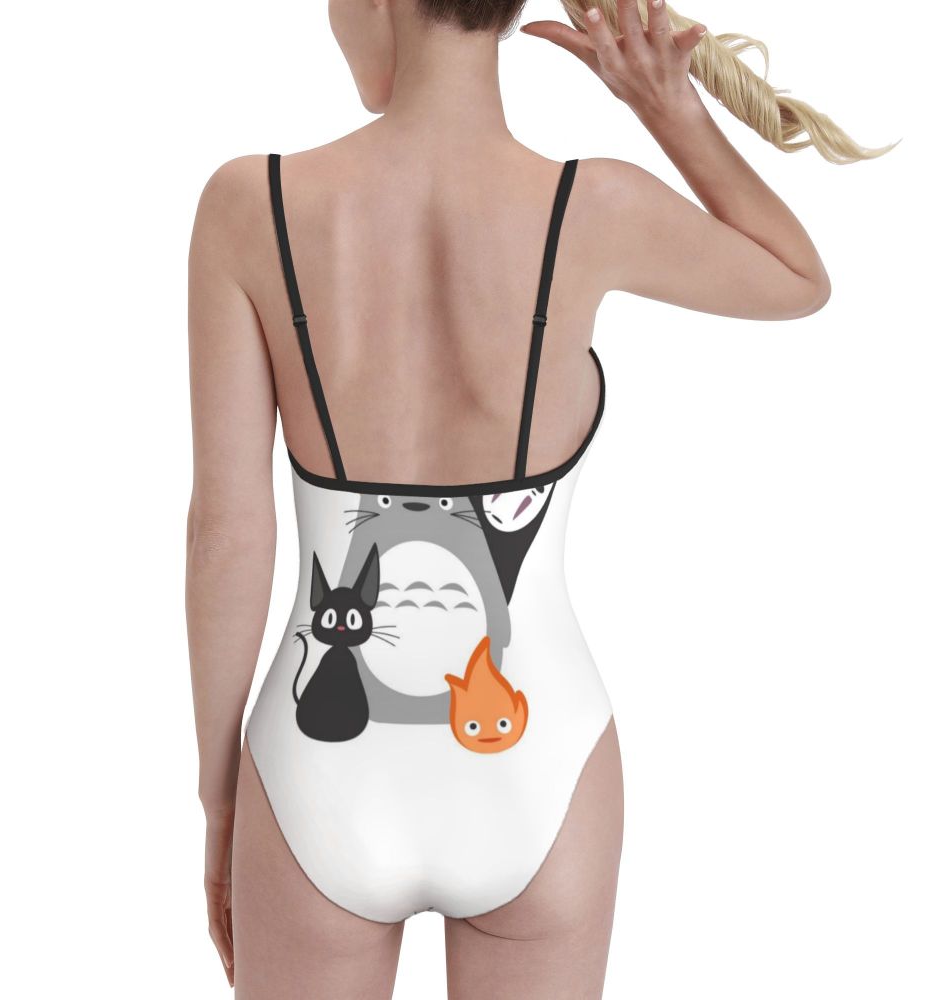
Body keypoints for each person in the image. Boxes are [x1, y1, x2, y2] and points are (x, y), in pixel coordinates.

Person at [186, 2, 888, 996]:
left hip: (317, 768)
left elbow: (227, 534)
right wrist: (668, 110)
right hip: (538, 761)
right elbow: (796, 277)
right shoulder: (590, 205)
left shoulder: (248, 205)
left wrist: (220, 802)